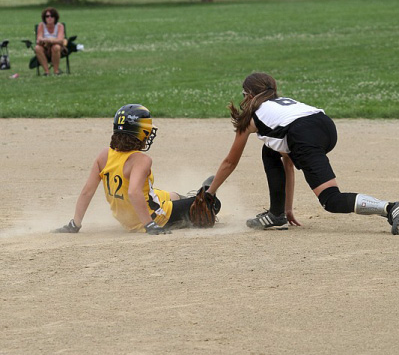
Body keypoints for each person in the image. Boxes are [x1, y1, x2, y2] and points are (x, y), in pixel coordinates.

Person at [206, 72, 399, 235]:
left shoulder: (253, 117)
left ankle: (390, 208)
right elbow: (288, 162)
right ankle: (276, 214)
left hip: (303, 135)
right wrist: (286, 209)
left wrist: (210, 193)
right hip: (325, 126)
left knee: (330, 199)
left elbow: (230, 162)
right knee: (270, 151)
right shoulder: (281, 105)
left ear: (248, 96)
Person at [53, 104, 220, 235]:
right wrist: (150, 225)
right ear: (140, 132)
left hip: (127, 220)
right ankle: (206, 193)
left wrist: (74, 224)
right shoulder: (141, 160)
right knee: (208, 205)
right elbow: (134, 192)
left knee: (172, 195)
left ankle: (191, 196)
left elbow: (86, 192)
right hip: (152, 218)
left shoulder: (104, 155)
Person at [35, 7, 65, 76]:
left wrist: (49, 40)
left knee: (56, 47)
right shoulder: (41, 25)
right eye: (47, 16)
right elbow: (39, 38)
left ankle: (56, 71)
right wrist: (45, 41)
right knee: (37, 48)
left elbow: (60, 40)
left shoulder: (60, 26)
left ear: (55, 18)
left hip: (57, 48)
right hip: (44, 47)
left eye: (52, 16)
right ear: (44, 18)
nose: (49, 18)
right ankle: (47, 71)